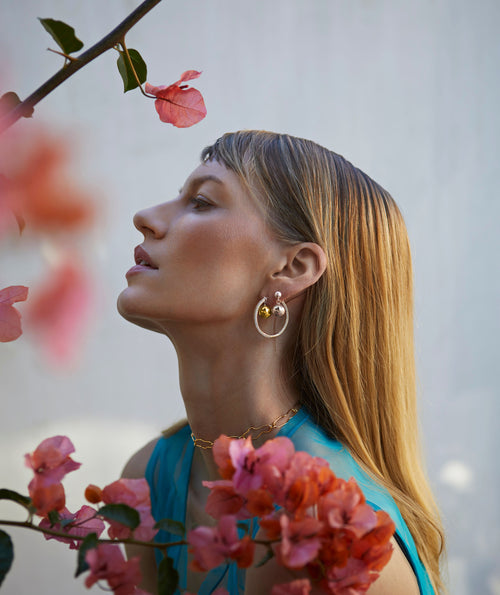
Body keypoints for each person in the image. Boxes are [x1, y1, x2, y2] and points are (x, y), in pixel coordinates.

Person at [118, 131, 445, 595]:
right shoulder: (151, 477)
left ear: (292, 269)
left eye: (203, 202)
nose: (145, 218)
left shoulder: (326, 531)